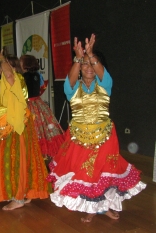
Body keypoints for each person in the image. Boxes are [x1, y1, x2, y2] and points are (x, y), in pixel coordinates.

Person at [46, 34, 146, 222]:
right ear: (79, 67)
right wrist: (78, 57)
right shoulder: (73, 89)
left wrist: (90, 54)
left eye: (93, 63)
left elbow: (102, 72)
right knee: (85, 174)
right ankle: (93, 208)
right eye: (84, 64)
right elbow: (70, 80)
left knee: (102, 172)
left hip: (104, 137)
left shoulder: (105, 84)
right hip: (78, 138)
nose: (89, 67)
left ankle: (102, 207)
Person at [0, 51, 50, 210]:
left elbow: (9, 76)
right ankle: (25, 193)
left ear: (12, 68)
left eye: (4, 67)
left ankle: (18, 197)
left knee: (17, 160)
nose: (2, 70)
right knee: (22, 159)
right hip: (9, 128)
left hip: (17, 127)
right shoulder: (0, 83)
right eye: (2, 68)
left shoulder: (18, 79)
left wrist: (2, 59)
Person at [20, 54, 65, 159]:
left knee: (34, 128)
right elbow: (41, 87)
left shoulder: (22, 77)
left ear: (26, 64)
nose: (20, 64)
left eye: (21, 62)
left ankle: (35, 154)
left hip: (29, 104)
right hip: (38, 103)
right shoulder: (37, 75)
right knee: (43, 128)